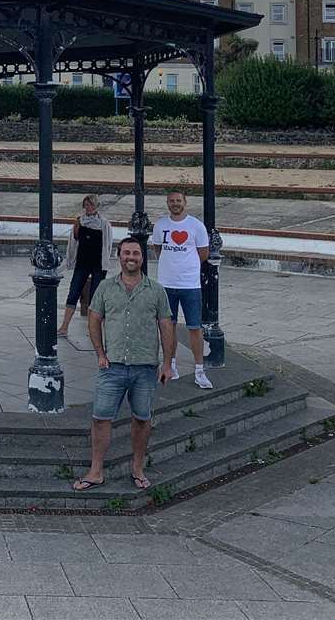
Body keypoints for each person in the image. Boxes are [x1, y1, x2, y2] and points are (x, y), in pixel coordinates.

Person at [73, 237, 175, 492]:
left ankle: (137, 468)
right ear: (119, 256)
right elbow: (94, 320)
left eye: (136, 253)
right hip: (113, 366)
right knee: (100, 418)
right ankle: (96, 471)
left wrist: (167, 364)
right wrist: (99, 352)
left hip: (145, 367)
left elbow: (166, 327)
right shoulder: (106, 288)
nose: (131, 257)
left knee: (142, 418)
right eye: (126, 253)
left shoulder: (156, 290)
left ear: (142, 258)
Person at [152, 188, 213, 390]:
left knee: (194, 327)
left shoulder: (196, 226)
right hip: (166, 284)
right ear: (167, 203)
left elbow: (203, 253)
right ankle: (171, 364)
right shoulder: (161, 225)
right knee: (168, 326)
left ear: (184, 202)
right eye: (171, 201)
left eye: (178, 200)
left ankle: (199, 370)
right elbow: (158, 249)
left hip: (190, 284)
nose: (175, 203)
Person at [58, 194, 114, 338]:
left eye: (91, 205)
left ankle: (93, 329)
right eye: (86, 205)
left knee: (95, 298)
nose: (88, 207)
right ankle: (64, 327)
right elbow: (74, 240)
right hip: (82, 262)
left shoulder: (104, 224)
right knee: (73, 293)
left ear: (96, 206)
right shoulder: (80, 221)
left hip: (98, 264)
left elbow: (108, 245)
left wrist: (105, 263)